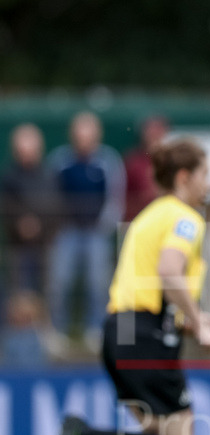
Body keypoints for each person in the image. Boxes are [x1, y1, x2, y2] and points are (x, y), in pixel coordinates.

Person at [41, 138, 210, 435]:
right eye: (205, 174)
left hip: (120, 333)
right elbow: (169, 272)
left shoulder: (148, 216)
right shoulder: (185, 218)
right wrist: (200, 323)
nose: (209, 183)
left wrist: (190, 322)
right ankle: (84, 433)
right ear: (184, 177)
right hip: (145, 338)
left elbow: (150, 285)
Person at [48, 111, 126, 349]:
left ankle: (95, 329)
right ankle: (58, 331)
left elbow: (115, 197)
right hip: (67, 232)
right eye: (79, 133)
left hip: (95, 233)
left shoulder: (107, 161)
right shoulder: (60, 161)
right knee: (60, 281)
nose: (83, 138)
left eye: (88, 134)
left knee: (98, 283)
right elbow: (51, 196)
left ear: (96, 135)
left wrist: (104, 226)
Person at [1, 123, 60, 295]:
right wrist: (21, 223)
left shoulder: (48, 174)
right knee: (17, 292)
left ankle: (47, 321)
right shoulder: (8, 176)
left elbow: (56, 205)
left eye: (30, 146)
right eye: (22, 147)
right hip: (16, 247)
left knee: (46, 290)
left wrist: (39, 225)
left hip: (45, 245)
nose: (26, 151)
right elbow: (6, 206)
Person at [122, 115, 169, 222]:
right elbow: (123, 197)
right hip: (138, 220)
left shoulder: (172, 161)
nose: (155, 135)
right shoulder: (133, 161)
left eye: (158, 130)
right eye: (151, 131)